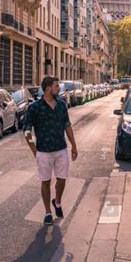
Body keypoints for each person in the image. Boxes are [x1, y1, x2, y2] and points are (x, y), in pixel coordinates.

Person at [23, 76, 78, 226]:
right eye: (56, 86)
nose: (59, 88)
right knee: (45, 181)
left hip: (61, 149)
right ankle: (48, 212)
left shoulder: (61, 105)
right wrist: (34, 150)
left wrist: (74, 146)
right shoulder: (34, 108)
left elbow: (67, 126)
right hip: (43, 151)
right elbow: (27, 130)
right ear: (48, 88)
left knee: (62, 179)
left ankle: (57, 201)